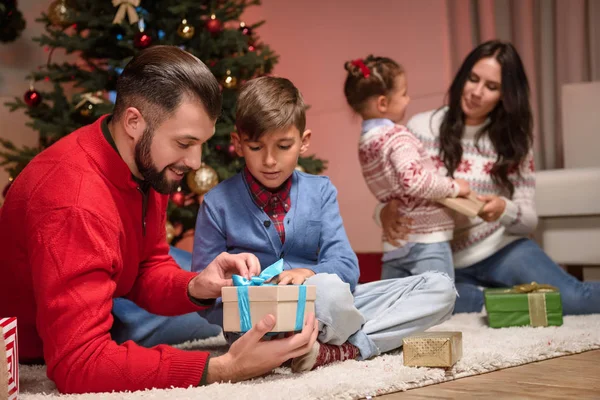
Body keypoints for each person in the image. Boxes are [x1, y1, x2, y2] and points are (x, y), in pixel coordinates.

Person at [0, 45, 319, 395]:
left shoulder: (146, 163)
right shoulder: (74, 202)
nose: (195, 162)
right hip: (36, 350)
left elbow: (146, 266)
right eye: (184, 142)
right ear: (134, 121)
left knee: (213, 317)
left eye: (201, 144)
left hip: (107, 302)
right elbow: (79, 365)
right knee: (209, 336)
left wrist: (197, 286)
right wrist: (225, 369)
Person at [192, 76, 457, 373]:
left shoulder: (320, 191)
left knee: (440, 288)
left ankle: (339, 350)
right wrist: (249, 303)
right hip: (257, 324)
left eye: (283, 146)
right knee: (332, 294)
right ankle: (345, 339)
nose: (269, 160)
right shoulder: (217, 204)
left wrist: (308, 273)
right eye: (256, 147)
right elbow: (205, 298)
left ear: (304, 142)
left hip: (323, 304)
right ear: (238, 144)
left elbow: (345, 265)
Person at [377, 40, 600, 314]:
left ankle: (494, 299)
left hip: (501, 249)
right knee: (418, 304)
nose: (476, 92)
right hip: (441, 258)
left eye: (491, 87)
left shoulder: (513, 143)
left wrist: (504, 208)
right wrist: (383, 212)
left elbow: (529, 219)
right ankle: (492, 299)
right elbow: (393, 192)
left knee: (574, 299)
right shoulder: (421, 127)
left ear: (505, 95)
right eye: (473, 79)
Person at [343, 55, 471, 281]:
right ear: (383, 103)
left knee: (394, 302)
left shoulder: (366, 143)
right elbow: (414, 180)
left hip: (395, 242)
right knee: (438, 301)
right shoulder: (397, 136)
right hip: (426, 238)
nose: (408, 99)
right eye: (403, 94)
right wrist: (454, 187)